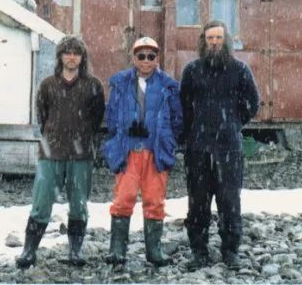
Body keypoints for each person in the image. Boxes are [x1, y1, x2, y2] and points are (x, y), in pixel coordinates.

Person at [16, 35, 105, 269]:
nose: (72, 57)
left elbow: (97, 119)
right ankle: (29, 251)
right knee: (41, 203)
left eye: (76, 53)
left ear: (82, 57)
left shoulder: (93, 85)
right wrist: (54, 137)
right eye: (67, 53)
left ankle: (75, 251)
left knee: (79, 204)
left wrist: (82, 137)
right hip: (51, 154)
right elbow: (42, 116)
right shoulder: (47, 85)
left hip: (81, 156)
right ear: (60, 56)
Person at [179, 20, 260, 270]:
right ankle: (199, 251)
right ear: (203, 41)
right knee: (197, 202)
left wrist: (232, 123)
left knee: (229, 201)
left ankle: (230, 251)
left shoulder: (240, 70)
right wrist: (192, 133)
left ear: (226, 41)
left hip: (228, 149)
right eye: (210, 38)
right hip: (198, 149)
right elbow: (184, 107)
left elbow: (252, 103)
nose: (214, 42)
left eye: (218, 38)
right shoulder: (192, 71)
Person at [102, 36, 182, 267]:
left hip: (156, 153)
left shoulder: (168, 85)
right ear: (134, 58)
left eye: (151, 56)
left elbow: (178, 119)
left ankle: (154, 252)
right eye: (141, 56)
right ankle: (117, 250)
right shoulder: (120, 83)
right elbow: (111, 117)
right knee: (123, 199)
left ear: (157, 58)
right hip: (127, 152)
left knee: (155, 201)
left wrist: (167, 140)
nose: (146, 60)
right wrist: (120, 136)